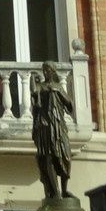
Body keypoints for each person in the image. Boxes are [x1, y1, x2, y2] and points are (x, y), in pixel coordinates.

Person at [32, 61, 75, 200]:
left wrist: (56, 91)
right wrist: (36, 88)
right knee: (49, 157)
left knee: (65, 156)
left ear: (53, 71)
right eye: (44, 70)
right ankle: (55, 192)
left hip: (59, 124)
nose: (45, 72)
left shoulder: (58, 87)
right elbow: (35, 100)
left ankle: (65, 189)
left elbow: (69, 105)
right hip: (46, 125)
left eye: (48, 70)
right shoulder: (41, 87)